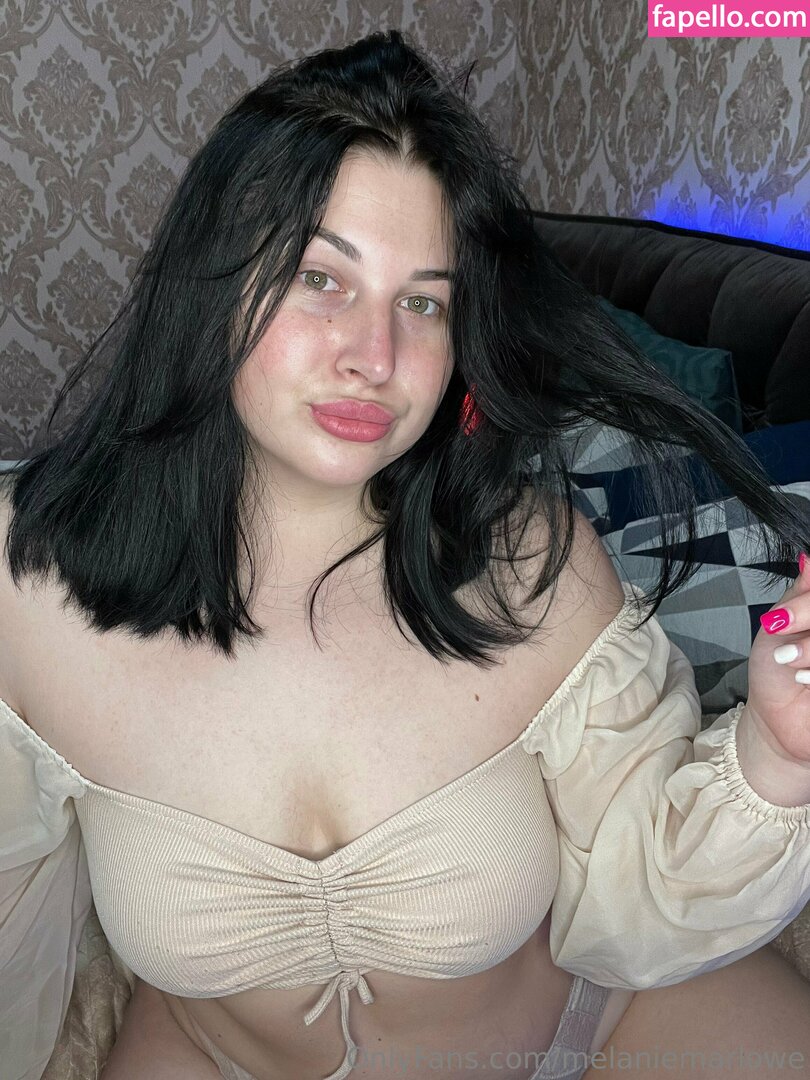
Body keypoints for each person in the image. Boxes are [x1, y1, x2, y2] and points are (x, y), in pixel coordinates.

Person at [2, 27, 810, 1080]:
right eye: (320, 278)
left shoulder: (532, 561)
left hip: (577, 1029)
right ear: (213, 286)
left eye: (423, 302)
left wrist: (778, 754)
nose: (375, 358)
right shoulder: (31, 579)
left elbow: (637, 897)